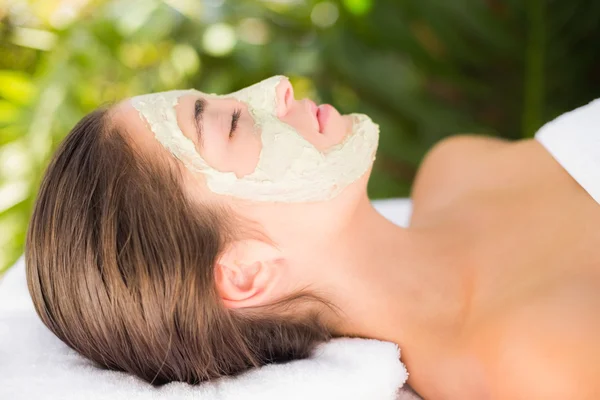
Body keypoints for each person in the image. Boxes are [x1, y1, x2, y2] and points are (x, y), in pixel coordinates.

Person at [25, 75, 600, 399]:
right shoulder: (539, 367)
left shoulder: (456, 168)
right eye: (230, 123)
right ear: (245, 273)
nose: (275, 87)